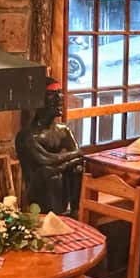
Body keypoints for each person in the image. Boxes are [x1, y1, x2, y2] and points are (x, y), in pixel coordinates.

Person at [16, 79, 84, 216]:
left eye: (60, 93)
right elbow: (46, 160)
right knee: (50, 173)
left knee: (77, 167)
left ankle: (75, 211)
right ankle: (54, 215)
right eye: (52, 95)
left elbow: (79, 154)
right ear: (38, 101)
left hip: (60, 184)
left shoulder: (63, 130)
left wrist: (61, 165)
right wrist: (68, 161)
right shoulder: (28, 135)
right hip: (39, 190)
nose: (59, 98)